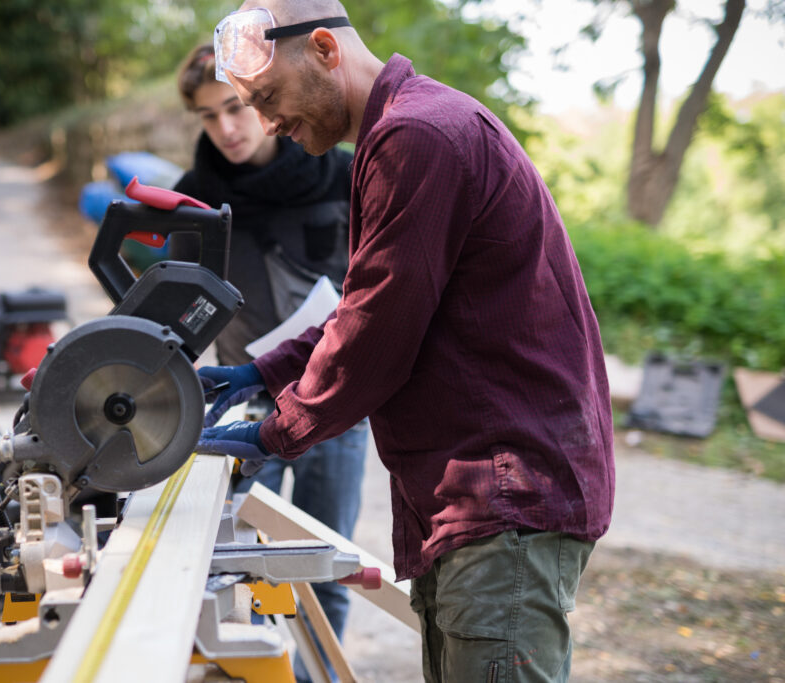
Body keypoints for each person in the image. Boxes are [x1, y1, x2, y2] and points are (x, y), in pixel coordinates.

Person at [193, 2, 616, 682]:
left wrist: (280, 430)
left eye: (268, 99)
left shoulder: (419, 136)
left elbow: (377, 334)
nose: (266, 123)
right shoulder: (399, 134)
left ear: (326, 50)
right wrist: (258, 374)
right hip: (471, 498)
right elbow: (370, 300)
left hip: (503, 492)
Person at [171, 43, 369, 676]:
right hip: (242, 398)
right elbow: (170, 311)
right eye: (208, 116)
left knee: (323, 561)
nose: (226, 128)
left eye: (235, 107)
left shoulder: (340, 173)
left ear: (262, 102)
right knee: (239, 565)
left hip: (337, 397)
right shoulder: (193, 198)